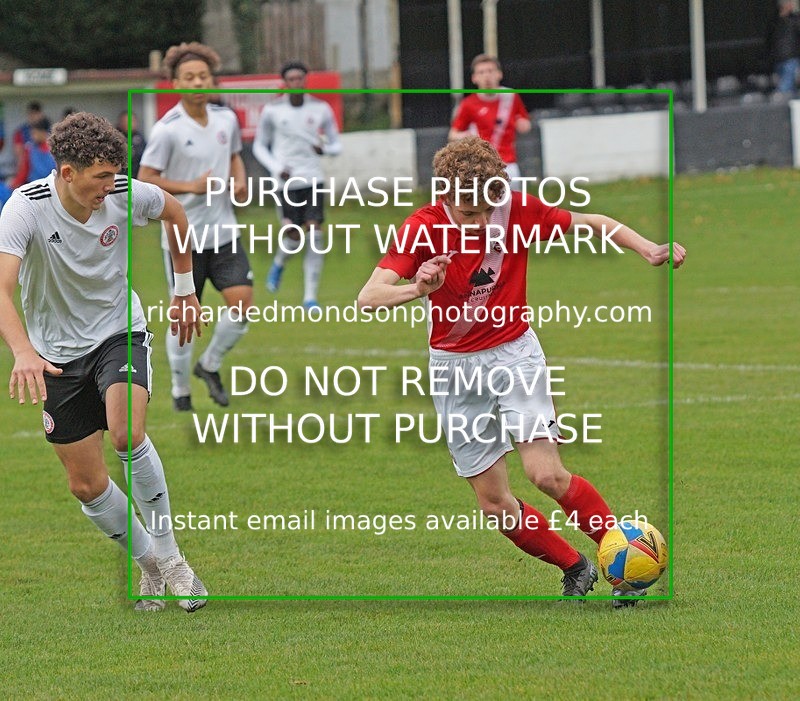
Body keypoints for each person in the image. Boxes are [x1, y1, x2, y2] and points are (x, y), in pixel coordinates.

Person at [357, 137, 686, 604]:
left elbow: (593, 222)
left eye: (487, 210)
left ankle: (626, 560)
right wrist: (418, 289)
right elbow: (368, 297)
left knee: (546, 474)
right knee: (495, 504)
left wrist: (647, 248)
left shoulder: (514, 210)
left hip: (515, 355)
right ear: (444, 196)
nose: (482, 222)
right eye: (469, 214)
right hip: (455, 370)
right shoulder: (422, 228)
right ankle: (574, 566)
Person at [0, 112, 208, 612]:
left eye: (115, 174)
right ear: (67, 173)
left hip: (119, 331)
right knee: (86, 484)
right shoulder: (25, 207)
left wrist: (184, 290)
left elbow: (176, 213)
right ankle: (149, 564)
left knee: (126, 434)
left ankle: (172, 558)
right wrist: (23, 351)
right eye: (100, 177)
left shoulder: (122, 192)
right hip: (56, 353)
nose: (110, 186)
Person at [139, 42, 253, 412]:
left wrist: (240, 182)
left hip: (224, 231)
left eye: (203, 76)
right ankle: (180, 389)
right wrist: (190, 186)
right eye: (189, 77)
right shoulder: (166, 130)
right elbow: (146, 178)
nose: (198, 82)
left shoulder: (226, 119)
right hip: (182, 238)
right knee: (186, 317)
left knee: (242, 304)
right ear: (175, 83)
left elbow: (234, 156)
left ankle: (210, 365)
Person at [253, 60, 342, 309]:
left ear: (305, 80)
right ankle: (279, 263)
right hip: (286, 182)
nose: (296, 83)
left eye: (299, 78)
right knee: (293, 234)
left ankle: (310, 297)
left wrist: (324, 149)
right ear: (284, 83)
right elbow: (259, 145)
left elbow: (336, 144)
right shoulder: (272, 111)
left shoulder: (320, 108)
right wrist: (276, 167)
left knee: (314, 232)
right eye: (291, 79)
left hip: (313, 178)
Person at [449, 54, 531, 189]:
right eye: (481, 72)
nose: (487, 76)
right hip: (481, 166)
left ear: (499, 74)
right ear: (474, 78)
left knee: (514, 200)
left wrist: (523, 124)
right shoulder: (468, 104)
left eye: (490, 71)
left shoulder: (510, 97)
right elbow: (453, 134)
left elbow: (524, 123)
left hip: (508, 163)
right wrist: (468, 136)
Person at [10, 117, 56, 189]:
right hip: (34, 188)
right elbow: (24, 171)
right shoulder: (30, 149)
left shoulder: (55, 150)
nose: (32, 136)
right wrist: (13, 185)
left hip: (52, 187)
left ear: (43, 133)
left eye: (34, 133)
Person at [768, 0, 800, 96]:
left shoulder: (776, 21)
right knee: (786, 85)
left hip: (785, 57)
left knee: (786, 85)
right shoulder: (782, 21)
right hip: (785, 57)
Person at [12, 101, 47, 168]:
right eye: (30, 113)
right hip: (28, 169)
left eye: (35, 113)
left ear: (41, 114)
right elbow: (19, 156)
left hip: (46, 168)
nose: (33, 116)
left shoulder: (49, 130)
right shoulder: (20, 132)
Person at [115, 111, 146, 177]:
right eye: (125, 121)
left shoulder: (140, 139)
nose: (128, 124)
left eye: (131, 121)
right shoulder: (114, 138)